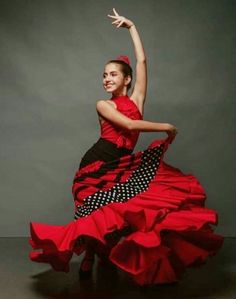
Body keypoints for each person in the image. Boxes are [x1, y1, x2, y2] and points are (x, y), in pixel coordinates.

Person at [29, 8, 223, 286]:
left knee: (130, 210)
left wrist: (131, 27)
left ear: (127, 79)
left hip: (123, 165)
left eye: (112, 74)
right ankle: (90, 257)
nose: (106, 79)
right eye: (104, 75)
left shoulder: (137, 100)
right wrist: (166, 126)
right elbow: (131, 127)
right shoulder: (103, 104)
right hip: (96, 165)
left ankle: (125, 257)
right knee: (95, 212)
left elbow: (142, 60)